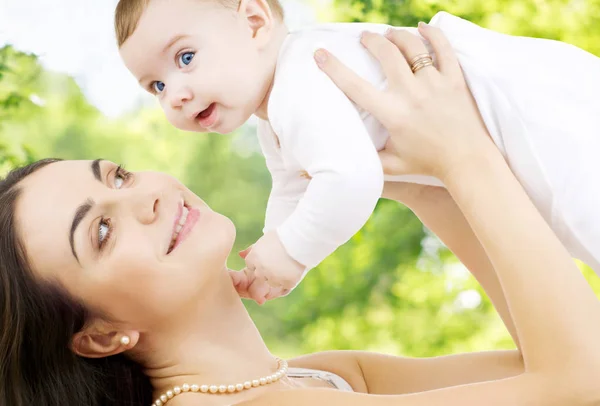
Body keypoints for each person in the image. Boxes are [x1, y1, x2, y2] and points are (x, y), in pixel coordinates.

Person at [2, 25, 599, 406]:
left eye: (119, 176)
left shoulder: (312, 380)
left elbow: (553, 360)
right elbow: (580, 387)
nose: (145, 198)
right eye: (101, 231)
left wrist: (422, 179)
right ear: (101, 335)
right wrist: (465, 151)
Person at [115, 0, 600, 303]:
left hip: (540, 120)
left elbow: (351, 179)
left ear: (255, 22)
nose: (174, 92)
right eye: (156, 85)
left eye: (185, 58)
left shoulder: (301, 77)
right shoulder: (275, 114)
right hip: (524, 124)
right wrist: (272, 258)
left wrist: (292, 250)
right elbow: (295, 187)